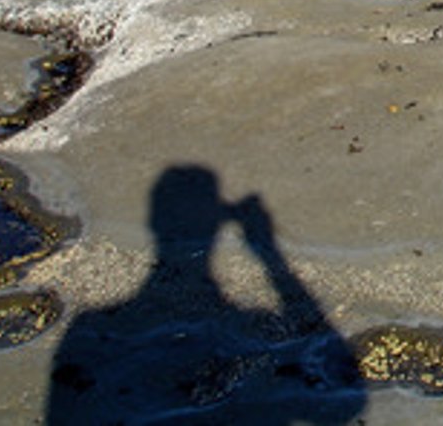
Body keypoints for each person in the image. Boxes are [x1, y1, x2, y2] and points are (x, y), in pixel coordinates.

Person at [48, 165, 365, 424]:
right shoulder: (257, 324)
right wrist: (267, 251)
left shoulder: (88, 328)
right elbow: (345, 403)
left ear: (155, 223)